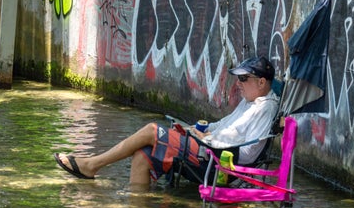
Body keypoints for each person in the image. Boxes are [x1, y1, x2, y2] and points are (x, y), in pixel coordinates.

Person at [54, 56, 279, 185]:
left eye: (243, 78)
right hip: (208, 150)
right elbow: (225, 125)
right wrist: (201, 130)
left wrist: (209, 139)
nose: (237, 83)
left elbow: (247, 152)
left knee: (152, 131)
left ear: (261, 82)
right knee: (143, 155)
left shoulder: (265, 107)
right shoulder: (249, 101)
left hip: (220, 165)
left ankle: (92, 165)